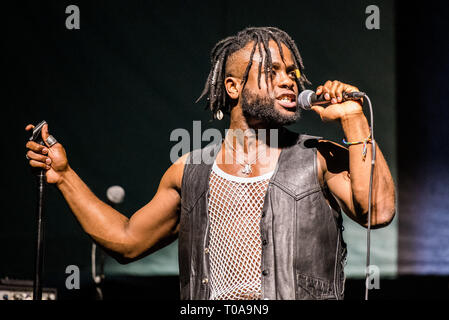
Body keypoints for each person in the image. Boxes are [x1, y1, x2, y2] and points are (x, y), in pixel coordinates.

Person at [25, 27, 395, 300]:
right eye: (272, 72)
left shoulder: (320, 156)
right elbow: (126, 242)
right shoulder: (189, 172)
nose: (289, 82)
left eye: (291, 73)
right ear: (233, 88)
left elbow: (376, 213)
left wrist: (353, 118)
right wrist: (64, 177)